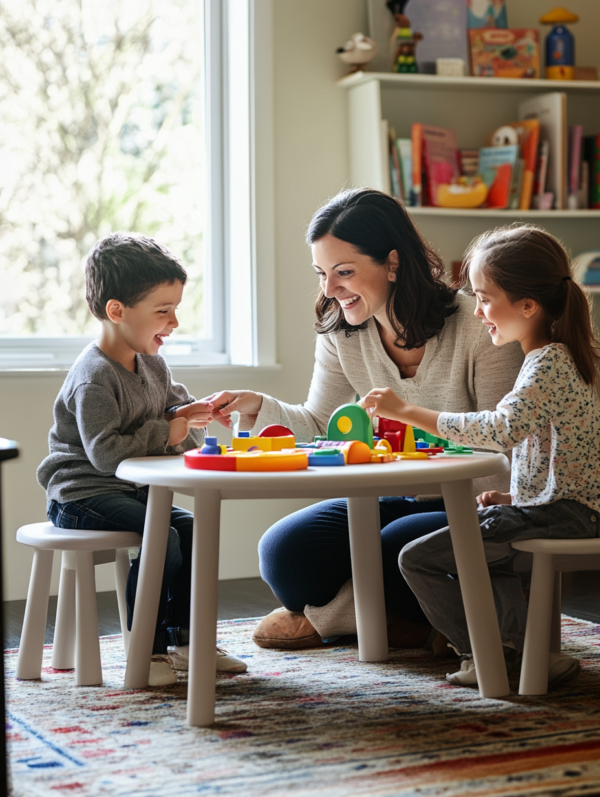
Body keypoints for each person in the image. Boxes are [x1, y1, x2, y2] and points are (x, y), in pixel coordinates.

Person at [206, 188, 524, 651]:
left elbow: (507, 442)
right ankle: (413, 623)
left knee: (397, 546)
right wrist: (259, 406)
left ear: (392, 263)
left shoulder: (478, 325)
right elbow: (320, 424)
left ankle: (338, 618)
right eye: (322, 274)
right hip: (395, 494)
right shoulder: (343, 332)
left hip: (475, 499)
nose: (329, 290)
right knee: (283, 553)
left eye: (345, 272)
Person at [362, 224, 600, 687]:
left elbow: (500, 429)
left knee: (417, 558)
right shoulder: (571, 356)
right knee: (489, 552)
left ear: (528, 305)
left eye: (485, 298)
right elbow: (568, 456)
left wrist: (407, 411)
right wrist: (519, 501)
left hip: (571, 516)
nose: (477, 312)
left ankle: (486, 653)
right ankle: (520, 652)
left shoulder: (548, 361)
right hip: (572, 510)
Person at [37, 232, 246, 685]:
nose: (174, 322)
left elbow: (169, 406)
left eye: (175, 309)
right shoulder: (93, 378)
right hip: (81, 492)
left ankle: (188, 640)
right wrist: (168, 430)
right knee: (162, 534)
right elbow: (107, 453)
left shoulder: (151, 361)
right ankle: (144, 650)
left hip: (125, 489)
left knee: (187, 526)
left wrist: (193, 414)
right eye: (163, 311)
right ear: (117, 311)